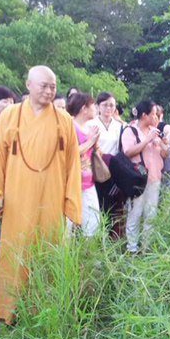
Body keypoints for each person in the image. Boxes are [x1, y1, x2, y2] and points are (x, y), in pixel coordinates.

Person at [0, 65, 82, 324]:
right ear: (28, 85)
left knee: (48, 249)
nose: (49, 91)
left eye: (53, 86)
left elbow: (73, 163)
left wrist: (71, 201)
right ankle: (10, 310)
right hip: (17, 198)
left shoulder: (64, 120)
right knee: (16, 251)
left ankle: (45, 309)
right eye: (44, 85)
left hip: (52, 197)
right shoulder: (10, 116)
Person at [121, 100, 168, 253]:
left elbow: (165, 154)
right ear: (144, 115)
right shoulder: (130, 131)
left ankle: (147, 247)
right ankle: (132, 248)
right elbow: (128, 152)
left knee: (150, 214)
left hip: (155, 178)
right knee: (135, 213)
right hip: (138, 179)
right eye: (153, 114)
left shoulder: (155, 131)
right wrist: (147, 140)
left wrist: (161, 143)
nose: (156, 118)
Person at [86, 92, 124, 227]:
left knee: (111, 204)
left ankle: (109, 235)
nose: (108, 108)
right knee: (96, 202)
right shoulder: (91, 124)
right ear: (98, 106)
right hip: (95, 166)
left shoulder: (119, 126)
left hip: (112, 168)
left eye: (112, 105)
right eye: (105, 105)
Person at [66, 93, 101, 236]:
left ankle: (90, 256)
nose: (95, 109)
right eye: (93, 106)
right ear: (83, 109)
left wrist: (96, 143)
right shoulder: (70, 126)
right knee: (68, 225)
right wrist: (90, 142)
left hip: (88, 181)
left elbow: (98, 154)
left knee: (93, 223)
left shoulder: (88, 127)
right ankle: (66, 256)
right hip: (73, 182)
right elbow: (71, 152)